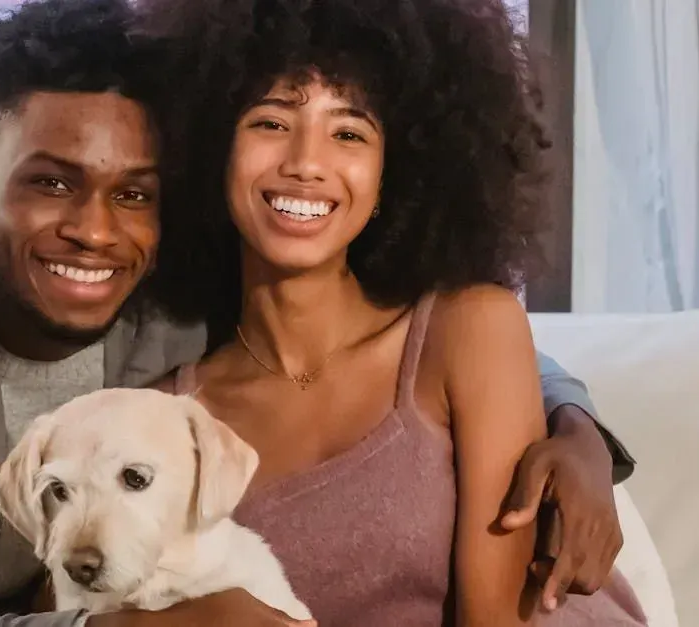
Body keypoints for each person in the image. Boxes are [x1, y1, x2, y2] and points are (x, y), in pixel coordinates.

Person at [0, 0, 634, 625]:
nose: (94, 231)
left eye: (135, 193)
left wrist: (578, 429)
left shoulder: (171, 302)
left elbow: (427, 347)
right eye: (50, 183)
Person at [130, 0, 647, 625]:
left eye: (349, 133)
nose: (305, 163)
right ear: (211, 149)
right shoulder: (169, 423)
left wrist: (583, 435)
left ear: (391, 178)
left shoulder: (468, 331)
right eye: (270, 122)